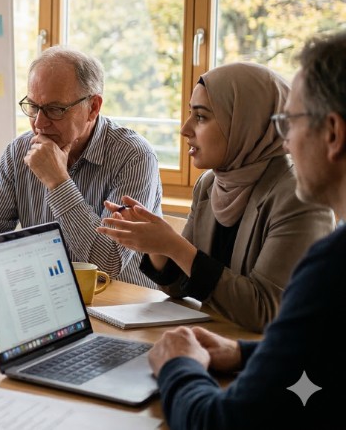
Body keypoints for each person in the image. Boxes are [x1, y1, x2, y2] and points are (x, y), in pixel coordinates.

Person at [147, 30, 346, 428]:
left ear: (333, 133)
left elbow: (221, 422)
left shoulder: (333, 265)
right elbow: (325, 350)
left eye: (290, 122)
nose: (284, 141)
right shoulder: (211, 184)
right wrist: (242, 354)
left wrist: (178, 367)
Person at [98, 62, 333, 332]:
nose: (184, 129)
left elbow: (268, 311)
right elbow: (178, 287)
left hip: (279, 364)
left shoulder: (302, 196)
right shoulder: (210, 183)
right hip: (216, 341)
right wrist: (154, 242)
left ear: (245, 121)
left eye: (201, 117)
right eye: (190, 114)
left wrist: (174, 246)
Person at [0, 46, 162, 285]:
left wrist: (58, 182)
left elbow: (108, 263)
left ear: (93, 107)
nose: (39, 123)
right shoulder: (19, 151)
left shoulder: (134, 156)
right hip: (49, 295)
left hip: (123, 306)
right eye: (33, 107)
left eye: (55, 110)